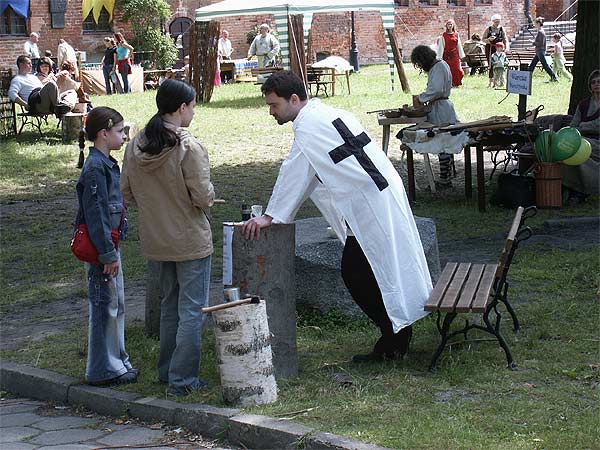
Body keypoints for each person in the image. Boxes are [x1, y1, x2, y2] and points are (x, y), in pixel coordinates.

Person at [241, 71, 432, 362]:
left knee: (358, 271)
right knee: (373, 267)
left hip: (370, 203)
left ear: (294, 99)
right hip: (380, 193)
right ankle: (395, 334)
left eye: (274, 105)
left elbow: (296, 171)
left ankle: (394, 338)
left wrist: (271, 215)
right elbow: (312, 171)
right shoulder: (329, 113)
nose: (271, 112)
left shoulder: (307, 127)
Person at [121, 80, 214, 396]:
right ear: (182, 107)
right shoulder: (188, 146)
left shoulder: (136, 144)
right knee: (191, 309)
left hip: (156, 238)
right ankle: (183, 379)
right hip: (189, 238)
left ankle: (167, 372)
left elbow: (127, 191)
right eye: (193, 106)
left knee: (170, 305)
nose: (194, 112)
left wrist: (156, 206)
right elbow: (202, 195)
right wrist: (205, 200)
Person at [75, 106, 138, 387]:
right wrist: (107, 254)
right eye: (120, 131)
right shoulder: (95, 168)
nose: (124, 137)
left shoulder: (104, 163)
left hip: (109, 248)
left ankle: (117, 361)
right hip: (104, 249)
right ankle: (103, 368)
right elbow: (97, 214)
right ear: (103, 134)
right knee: (105, 307)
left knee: (116, 304)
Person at [411, 45, 458, 188]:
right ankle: (447, 175)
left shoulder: (438, 67)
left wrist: (420, 98)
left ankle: (445, 178)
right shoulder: (439, 66)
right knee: (445, 141)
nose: (420, 67)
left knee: (442, 142)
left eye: (419, 63)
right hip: (440, 107)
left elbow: (436, 90)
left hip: (441, 110)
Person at [563, 70, 600, 203]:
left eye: (599, 82)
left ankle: (582, 190)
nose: (596, 84)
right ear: (590, 86)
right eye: (593, 82)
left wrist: (582, 126)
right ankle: (573, 187)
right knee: (566, 149)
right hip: (581, 140)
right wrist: (583, 127)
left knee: (578, 146)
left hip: (597, 143)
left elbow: (598, 126)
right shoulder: (583, 104)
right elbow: (573, 125)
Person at [8, 55, 75, 118]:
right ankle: (59, 108)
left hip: (46, 100)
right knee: (51, 84)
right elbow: (11, 94)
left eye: (31, 63)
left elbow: (45, 89)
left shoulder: (33, 77)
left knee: (71, 92)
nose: (31, 65)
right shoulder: (17, 79)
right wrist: (26, 105)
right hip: (37, 103)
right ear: (21, 64)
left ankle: (63, 107)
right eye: (28, 63)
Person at [528, 17, 558, 82]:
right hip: (539, 51)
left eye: (535, 23)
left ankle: (554, 78)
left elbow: (540, 43)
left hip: (540, 51)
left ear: (538, 23)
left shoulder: (541, 32)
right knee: (532, 64)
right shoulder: (540, 31)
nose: (534, 25)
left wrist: (533, 42)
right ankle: (527, 77)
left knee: (545, 65)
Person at [436, 19, 465, 87]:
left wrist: (461, 55)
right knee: (447, 69)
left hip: (455, 54)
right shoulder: (444, 35)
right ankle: (449, 84)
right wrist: (439, 57)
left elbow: (459, 45)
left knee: (457, 69)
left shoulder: (456, 34)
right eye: (448, 24)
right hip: (446, 55)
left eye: (451, 24)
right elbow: (441, 46)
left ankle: (457, 83)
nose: (449, 26)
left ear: (453, 25)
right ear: (446, 26)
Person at [482, 14, 508, 88]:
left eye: (498, 22)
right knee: (491, 64)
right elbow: (483, 39)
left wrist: (506, 48)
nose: (497, 23)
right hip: (490, 48)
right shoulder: (489, 29)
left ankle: (499, 81)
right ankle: (491, 82)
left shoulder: (501, 29)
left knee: (500, 64)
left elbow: (505, 39)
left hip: (499, 49)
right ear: (493, 21)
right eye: (496, 22)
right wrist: (489, 40)